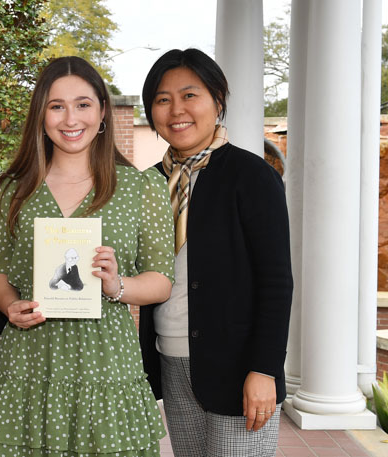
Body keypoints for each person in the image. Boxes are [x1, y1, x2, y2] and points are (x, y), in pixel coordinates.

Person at [0, 56, 175, 457]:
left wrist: (117, 285)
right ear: (41, 114)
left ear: (102, 111)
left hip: (106, 367)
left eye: (83, 104)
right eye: (57, 106)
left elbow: (161, 280)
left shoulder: (141, 187)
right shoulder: (9, 189)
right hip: (31, 365)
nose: (71, 118)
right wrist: (8, 304)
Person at [138, 48, 293, 457]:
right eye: (162, 99)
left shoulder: (252, 176)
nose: (176, 110)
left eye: (190, 95)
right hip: (170, 361)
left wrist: (264, 369)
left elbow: (276, 283)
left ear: (217, 101)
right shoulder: (149, 184)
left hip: (239, 367)